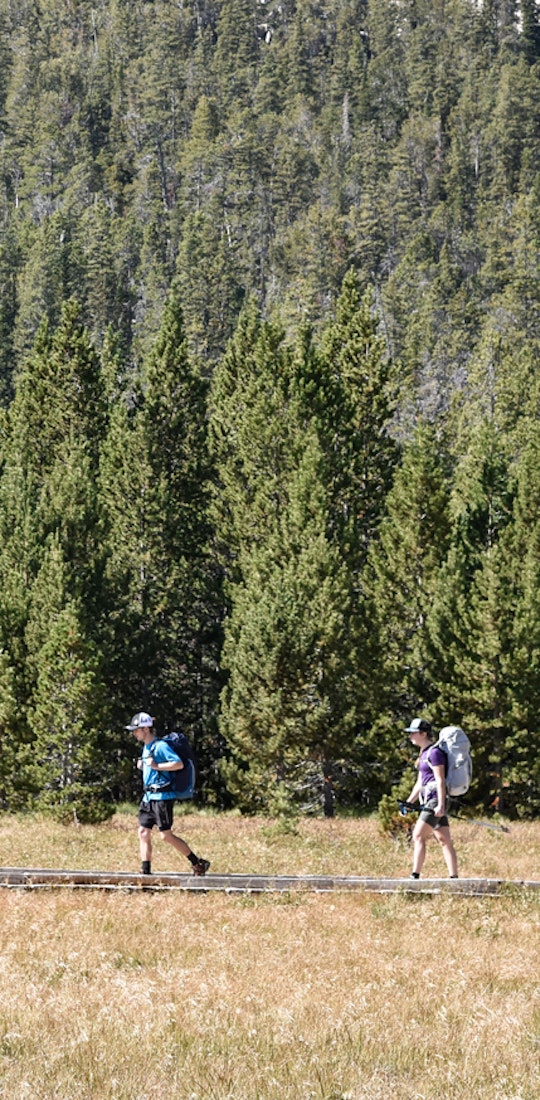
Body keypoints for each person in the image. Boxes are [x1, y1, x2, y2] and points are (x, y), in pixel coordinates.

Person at [126, 711, 210, 877]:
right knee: (143, 832)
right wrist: (144, 767)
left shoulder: (161, 746)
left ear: (146, 729)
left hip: (162, 798)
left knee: (166, 836)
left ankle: (197, 862)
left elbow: (177, 764)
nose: (134, 733)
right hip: (148, 798)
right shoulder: (146, 747)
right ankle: (146, 871)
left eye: (136, 730)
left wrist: (156, 766)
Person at [403, 717, 458, 880]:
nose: (410, 736)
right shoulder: (424, 754)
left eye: (413, 733)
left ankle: (415, 875)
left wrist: (441, 805)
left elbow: (440, 780)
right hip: (429, 800)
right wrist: (409, 802)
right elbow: (420, 782)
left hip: (435, 800)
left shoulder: (435, 753)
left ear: (423, 733)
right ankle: (454, 877)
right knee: (444, 839)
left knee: (418, 835)